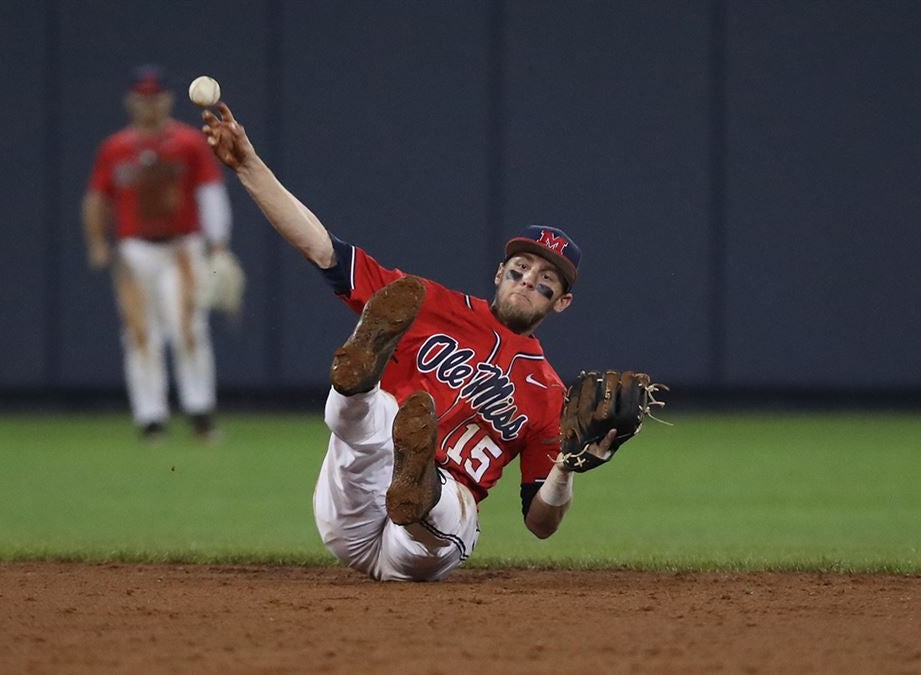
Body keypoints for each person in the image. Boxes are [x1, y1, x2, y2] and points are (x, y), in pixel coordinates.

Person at [201, 102, 620, 581]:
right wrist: (249, 166)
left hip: (427, 538)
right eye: (521, 268)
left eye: (547, 279)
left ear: (562, 302)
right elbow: (322, 249)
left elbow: (539, 523)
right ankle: (355, 380)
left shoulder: (549, 395)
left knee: (449, 504)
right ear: (499, 273)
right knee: (380, 415)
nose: (528, 280)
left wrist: (565, 469)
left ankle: (420, 484)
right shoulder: (428, 303)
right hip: (354, 500)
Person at [82, 65, 233, 441]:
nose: (150, 104)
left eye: (156, 97)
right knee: (139, 334)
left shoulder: (188, 142)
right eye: (142, 97)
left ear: (167, 99)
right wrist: (98, 242)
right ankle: (151, 417)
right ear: (131, 101)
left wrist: (217, 244)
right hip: (135, 251)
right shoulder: (115, 148)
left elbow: (210, 192)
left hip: (181, 247)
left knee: (188, 329)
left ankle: (200, 411)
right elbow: (97, 198)